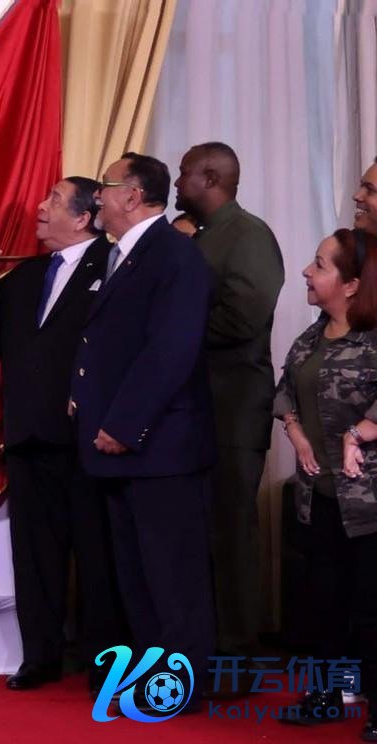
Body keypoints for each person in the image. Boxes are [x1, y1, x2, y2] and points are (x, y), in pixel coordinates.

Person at [0, 177, 125, 692]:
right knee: (34, 557)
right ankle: (40, 657)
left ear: (83, 217)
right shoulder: (30, 273)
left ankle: (104, 663)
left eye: (53, 200)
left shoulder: (115, 265)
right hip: (29, 436)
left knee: (97, 556)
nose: (40, 206)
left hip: (86, 438)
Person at [70, 153, 217, 706]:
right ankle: (154, 684)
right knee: (136, 577)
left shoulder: (174, 256)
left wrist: (124, 423)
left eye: (105, 186)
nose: (97, 196)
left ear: (132, 195)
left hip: (160, 447)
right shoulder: (123, 254)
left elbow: (171, 350)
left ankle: (182, 687)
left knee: (172, 578)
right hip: (122, 449)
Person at [174, 142, 284, 657]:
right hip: (197, 409)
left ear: (211, 178)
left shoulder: (248, 235)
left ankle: (236, 654)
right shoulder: (202, 237)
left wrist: (171, 331)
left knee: (230, 531)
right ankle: (203, 646)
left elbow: (242, 317)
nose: (177, 184)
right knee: (197, 532)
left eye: (184, 174)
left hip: (233, 410)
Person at [274, 229, 377, 739]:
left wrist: (360, 432)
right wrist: (295, 432)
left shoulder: (372, 339)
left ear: (352, 284)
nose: (306, 272)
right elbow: (284, 390)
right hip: (320, 497)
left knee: (372, 605)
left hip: (369, 501)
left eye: (319, 265)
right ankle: (327, 694)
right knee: (325, 601)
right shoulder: (312, 337)